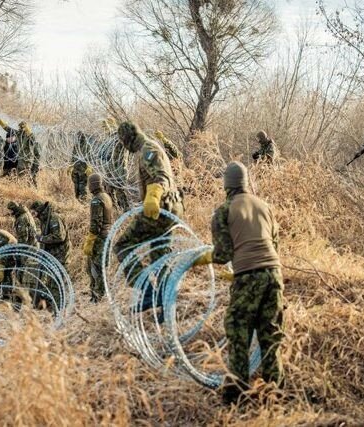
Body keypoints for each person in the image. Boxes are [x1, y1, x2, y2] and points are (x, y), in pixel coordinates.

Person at [194, 161, 284, 404]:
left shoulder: (223, 211)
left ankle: (238, 393)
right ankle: (276, 391)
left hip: (248, 276)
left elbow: (222, 254)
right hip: (274, 274)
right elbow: (274, 245)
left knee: (238, 330)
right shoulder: (264, 205)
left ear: (226, 185)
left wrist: (201, 259)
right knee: (270, 333)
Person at [112, 121, 184, 319]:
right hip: (168, 207)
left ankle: (147, 291)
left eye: (122, 141)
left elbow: (161, 178)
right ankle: (166, 303)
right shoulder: (146, 148)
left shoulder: (148, 149)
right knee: (160, 255)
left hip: (160, 209)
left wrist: (152, 195)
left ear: (129, 138)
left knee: (122, 245)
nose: (123, 146)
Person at [83, 173, 114, 302]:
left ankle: (97, 296)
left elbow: (96, 223)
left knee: (95, 267)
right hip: (107, 235)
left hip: (99, 238)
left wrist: (90, 239)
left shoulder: (96, 200)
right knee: (100, 266)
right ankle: (98, 294)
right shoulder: (106, 196)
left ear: (92, 185)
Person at [0, 119, 40, 185]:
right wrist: (0, 122)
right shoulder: (18, 134)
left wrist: (28, 130)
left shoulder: (29, 136)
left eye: (22, 127)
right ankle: (25, 188)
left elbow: (33, 140)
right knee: (21, 175)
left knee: (27, 175)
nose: (21, 129)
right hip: (21, 159)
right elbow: (8, 129)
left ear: (26, 128)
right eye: (20, 127)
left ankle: (31, 189)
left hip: (27, 159)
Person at [70, 131, 92, 202]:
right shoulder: (76, 146)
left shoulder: (87, 146)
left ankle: (83, 201)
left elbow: (90, 158)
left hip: (83, 169)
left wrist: (89, 167)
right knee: (76, 186)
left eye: (79, 137)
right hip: (76, 169)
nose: (78, 138)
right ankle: (78, 200)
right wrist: (70, 166)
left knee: (82, 186)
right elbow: (73, 157)